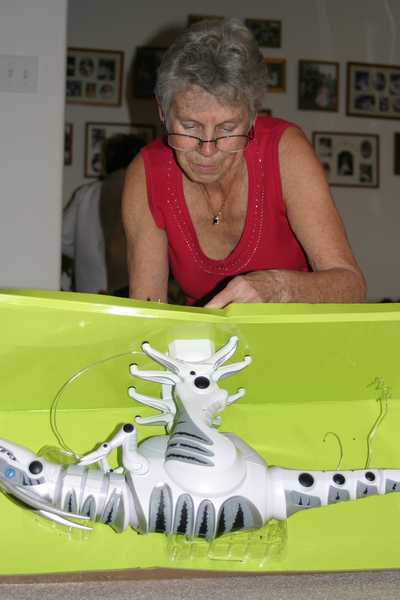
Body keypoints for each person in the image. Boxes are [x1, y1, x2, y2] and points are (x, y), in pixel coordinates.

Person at [122, 18, 367, 308]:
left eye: (227, 129)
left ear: (252, 117)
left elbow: (352, 287)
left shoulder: (284, 152)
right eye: (190, 127)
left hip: (300, 332)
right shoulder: (147, 175)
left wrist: (279, 288)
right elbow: (149, 311)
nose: (208, 149)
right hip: (207, 336)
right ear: (163, 112)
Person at [62, 133, 146, 294]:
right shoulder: (147, 191)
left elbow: (62, 239)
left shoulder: (85, 194)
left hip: (90, 288)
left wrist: (85, 254)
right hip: (133, 292)